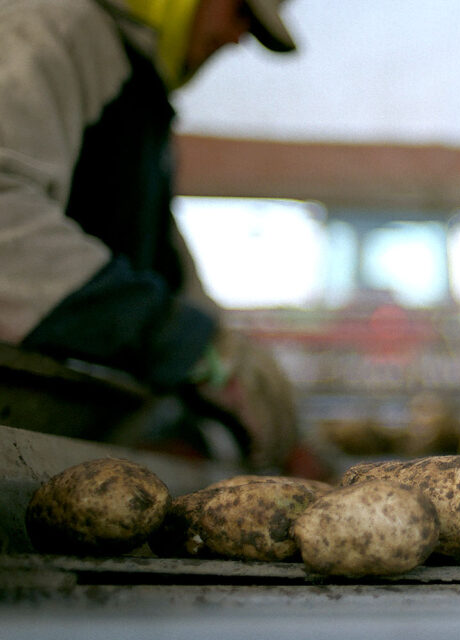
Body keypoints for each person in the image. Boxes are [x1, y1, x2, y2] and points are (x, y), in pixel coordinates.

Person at [0, 0, 309, 473]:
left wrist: (223, 353)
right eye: (240, 11)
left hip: (50, 445)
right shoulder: (51, 28)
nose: (236, 39)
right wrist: (183, 340)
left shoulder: (138, 94)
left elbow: (162, 271)